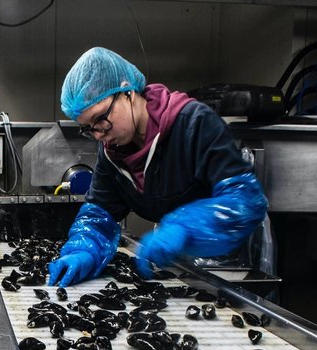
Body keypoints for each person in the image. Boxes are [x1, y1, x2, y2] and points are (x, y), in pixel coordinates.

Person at [47, 47, 269, 287]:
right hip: (176, 271)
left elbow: (245, 201)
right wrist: (84, 250)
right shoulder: (113, 151)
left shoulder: (193, 123)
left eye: (101, 119)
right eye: (88, 128)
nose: (99, 134)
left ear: (127, 92)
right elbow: (100, 212)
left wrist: (186, 228)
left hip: (228, 268)